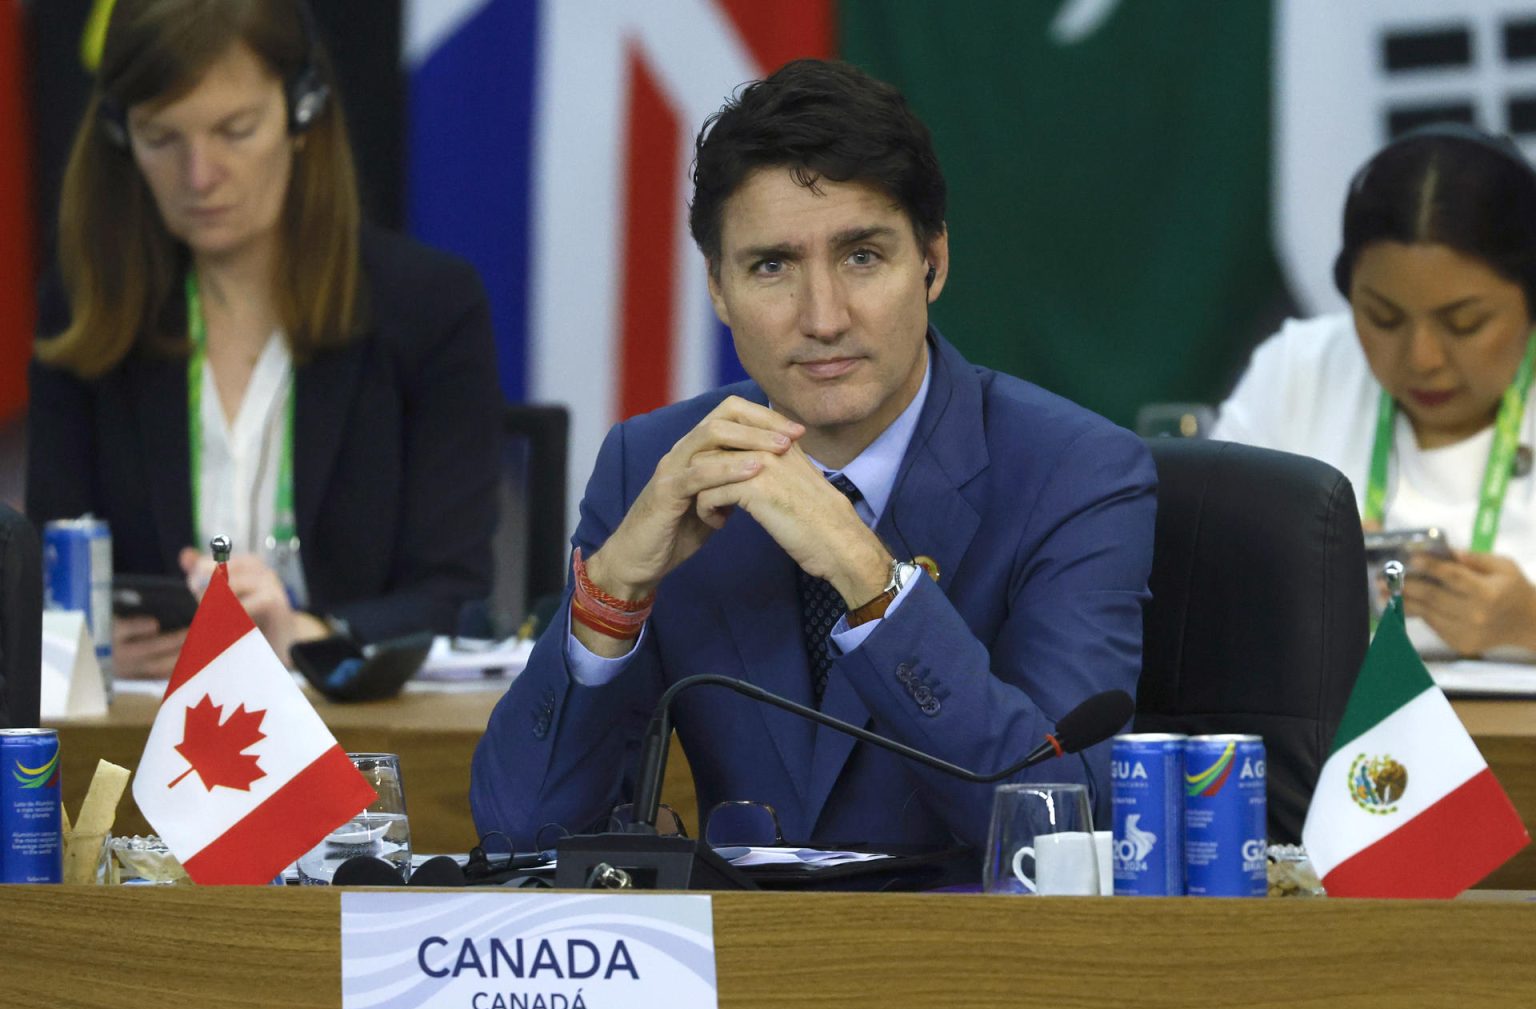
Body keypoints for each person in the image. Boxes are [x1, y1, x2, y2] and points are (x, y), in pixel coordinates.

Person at [470, 59, 1156, 853]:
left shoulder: (1078, 472)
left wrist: (866, 577)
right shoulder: (652, 463)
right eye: (772, 267)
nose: (823, 317)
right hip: (740, 964)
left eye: (862, 256)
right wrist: (614, 591)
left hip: (976, 964)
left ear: (932, 262)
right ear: (719, 290)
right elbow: (519, 834)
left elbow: (1063, 827)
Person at [26, 0, 500, 678]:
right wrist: (83, 643)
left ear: (303, 113)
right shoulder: (87, 307)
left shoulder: (429, 305)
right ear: (119, 137)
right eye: (161, 139)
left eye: (235, 130)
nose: (199, 175)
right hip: (152, 731)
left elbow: (456, 597)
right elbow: (47, 570)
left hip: (359, 735)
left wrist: (309, 632)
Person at [1215, 125, 1536, 660]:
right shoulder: (1301, 369)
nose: (1423, 358)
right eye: (1383, 318)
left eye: (1465, 323)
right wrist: (1295, 580)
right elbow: (1193, 584)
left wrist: (1529, 624)